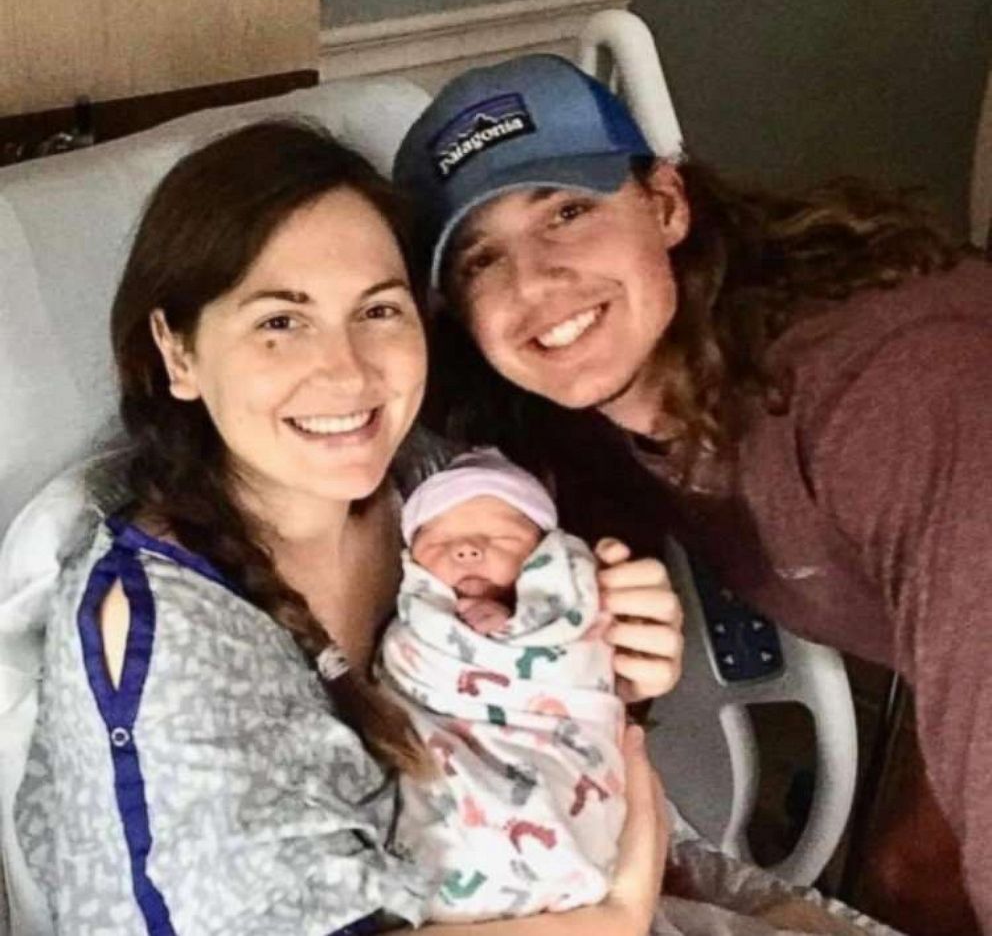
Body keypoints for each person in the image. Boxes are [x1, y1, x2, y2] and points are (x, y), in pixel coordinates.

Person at [3, 118, 677, 936]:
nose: (348, 370)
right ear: (177, 355)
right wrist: (611, 917)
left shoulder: (437, 485)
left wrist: (602, 656)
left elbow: (546, 723)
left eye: (379, 310)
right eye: (280, 322)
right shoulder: (157, 629)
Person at [393, 54, 992, 931]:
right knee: (911, 878)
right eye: (482, 260)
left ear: (666, 204)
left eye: (567, 210)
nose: (534, 284)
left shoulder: (891, 394)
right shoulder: (576, 407)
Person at [381, 447, 625, 922]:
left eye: (501, 537)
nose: (467, 549)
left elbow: (574, 656)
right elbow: (399, 667)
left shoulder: (563, 602)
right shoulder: (420, 613)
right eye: (440, 540)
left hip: (543, 733)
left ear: (541, 554)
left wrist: (518, 625)